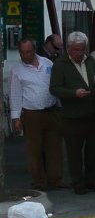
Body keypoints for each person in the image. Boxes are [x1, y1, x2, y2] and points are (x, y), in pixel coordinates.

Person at [49, 31, 95, 195]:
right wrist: (74, 93)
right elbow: (54, 88)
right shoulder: (60, 64)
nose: (79, 53)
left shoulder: (90, 61)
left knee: (94, 150)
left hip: (93, 113)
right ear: (68, 48)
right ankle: (78, 182)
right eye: (76, 50)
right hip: (72, 117)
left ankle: (92, 179)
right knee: (74, 152)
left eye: (82, 50)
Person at [8, 38, 65, 191]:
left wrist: (60, 108)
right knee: (34, 150)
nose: (25, 55)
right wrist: (16, 118)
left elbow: (55, 85)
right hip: (32, 113)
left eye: (28, 52)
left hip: (51, 111)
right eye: (22, 52)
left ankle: (55, 179)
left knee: (54, 147)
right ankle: (38, 182)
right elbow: (15, 94)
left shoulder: (47, 63)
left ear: (34, 50)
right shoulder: (17, 70)